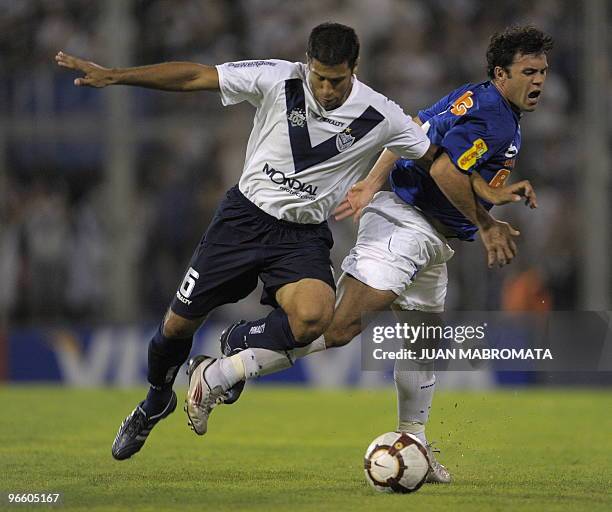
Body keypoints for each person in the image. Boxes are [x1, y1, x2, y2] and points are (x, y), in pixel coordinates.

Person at [56, 22, 455, 460]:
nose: (325, 89)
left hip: (302, 236)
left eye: (336, 80)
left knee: (314, 318)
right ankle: (155, 401)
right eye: (318, 77)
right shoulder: (276, 77)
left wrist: (486, 204)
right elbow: (196, 76)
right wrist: (117, 75)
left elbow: (432, 151)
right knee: (176, 327)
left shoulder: (381, 113)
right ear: (307, 64)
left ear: (354, 69)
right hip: (241, 222)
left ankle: (238, 341)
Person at [206, 25, 552, 483]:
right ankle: (224, 370)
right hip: (407, 224)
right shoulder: (497, 119)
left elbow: (411, 130)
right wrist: (487, 225)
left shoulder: (476, 97)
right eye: (529, 71)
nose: (540, 80)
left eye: (543, 71)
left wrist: (375, 183)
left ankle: (415, 442)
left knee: (424, 340)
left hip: (430, 237)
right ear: (501, 74)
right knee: (341, 324)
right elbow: (445, 167)